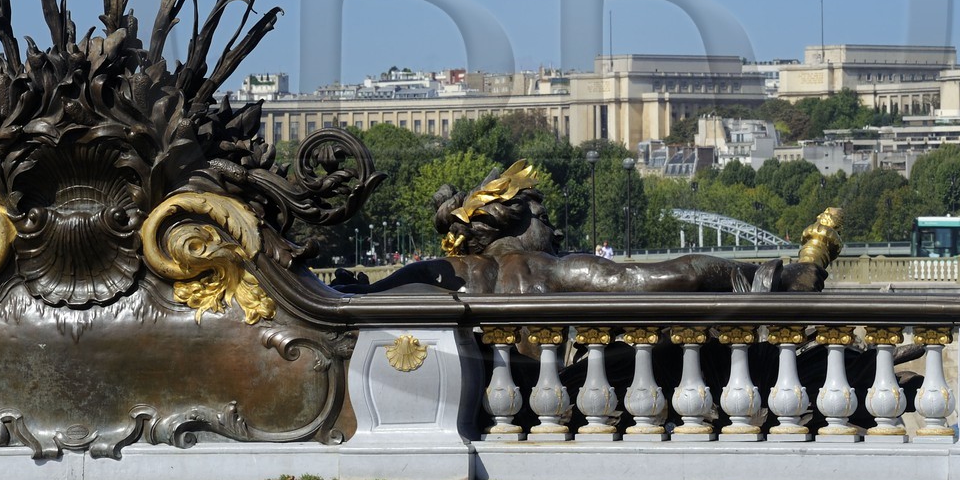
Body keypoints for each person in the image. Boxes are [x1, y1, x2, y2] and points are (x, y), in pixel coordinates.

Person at [329, 160, 841, 296]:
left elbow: (379, 293)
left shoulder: (443, 270)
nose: (552, 231)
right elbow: (666, 277)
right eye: (543, 218)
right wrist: (770, 275)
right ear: (520, 223)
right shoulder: (539, 268)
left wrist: (356, 287)